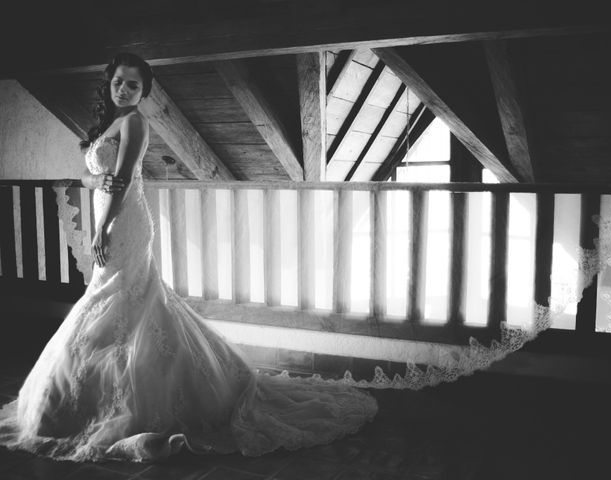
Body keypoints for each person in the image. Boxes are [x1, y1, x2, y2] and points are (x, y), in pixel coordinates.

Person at [0, 53, 377, 462]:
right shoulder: (105, 125)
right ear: (108, 84)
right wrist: (94, 180)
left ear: (144, 92)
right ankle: (90, 394)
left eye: (133, 85)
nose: (123, 89)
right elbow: (92, 175)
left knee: (125, 297)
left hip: (125, 220)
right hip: (107, 213)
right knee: (120, 301)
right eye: (119, 82)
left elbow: (123, 180)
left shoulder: (135, 123)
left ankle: (153, 392)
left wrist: (103, 227)